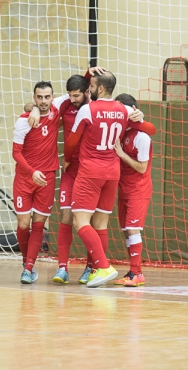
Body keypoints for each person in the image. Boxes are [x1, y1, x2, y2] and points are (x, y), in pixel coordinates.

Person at [64, 69, 140, 288]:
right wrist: (140, 115)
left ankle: (103, 266)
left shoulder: (88, 109)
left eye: (92, 86)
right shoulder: (125, 109)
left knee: (80, 221)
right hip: (112, 172)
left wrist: (68, 160)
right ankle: (97, 270)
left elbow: (71, 141)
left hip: (90, 172)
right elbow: (146, 128)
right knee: (101, 224)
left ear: (101, 88)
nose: (89, 89)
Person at [12, 81, 67, 284]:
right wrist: (31, 171)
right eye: (39, 97)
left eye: (47, 97)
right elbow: (15, 153)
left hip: (47, 178)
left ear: (53, 97)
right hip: (25, 178)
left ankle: (28, 269)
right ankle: (26, 261)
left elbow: (78, 90)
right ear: (34, 98)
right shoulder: (24, 121)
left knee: (38, 224)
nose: (43, 101)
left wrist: (91, 72)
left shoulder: (57, 109)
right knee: (23, 223)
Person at [112, 93, 153, 287]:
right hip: (124, 188)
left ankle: (136, 273)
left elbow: (142, 168)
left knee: (133, 229)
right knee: (127, 231)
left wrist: (121, 154)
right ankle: (134, 272)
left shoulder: (142, 137)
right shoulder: (123, 131)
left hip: (138, 189)